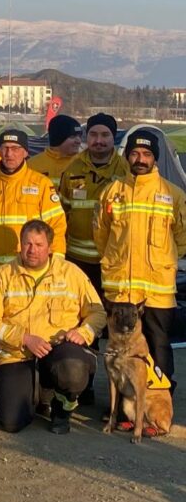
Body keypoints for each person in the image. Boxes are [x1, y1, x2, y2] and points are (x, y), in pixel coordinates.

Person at [0, 220, 106, 434]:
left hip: (58, 350)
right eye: (27, 244)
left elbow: (98, 312)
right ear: (20, 244)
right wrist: (23, 338)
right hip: (17, 354)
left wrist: (84, 332)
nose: (32, 250)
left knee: (73, 368)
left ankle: (61, 409)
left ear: (50, 247)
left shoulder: (71, 273)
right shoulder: (3, 275)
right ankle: (36, 395)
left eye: (39, 245)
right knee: (11, 422)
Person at [94, 131, 186, 392]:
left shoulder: (173, 194)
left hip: (157, 289)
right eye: (135, 153)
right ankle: (125, 406)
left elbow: (182, 237)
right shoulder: (111, 193)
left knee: (158, 344)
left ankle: (158, 399)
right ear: (127, 156)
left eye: (146, 154)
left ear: (155, 158)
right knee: (121, 346)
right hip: (121, 288)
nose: (140, 159)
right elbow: (101, 235)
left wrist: (164, 261)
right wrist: (114, 259)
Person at [0, 130, 65, 276]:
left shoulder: (41, 184)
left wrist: (55, 264)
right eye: (4, 148)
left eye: (15, 148)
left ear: (25, 152)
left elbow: (56, 225)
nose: (9, 154)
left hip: (28, 269)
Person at [58, 113, 127, 289]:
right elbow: (61, 212)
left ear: (114, 137)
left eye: (105, 135)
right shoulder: (72, 169)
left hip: (114, 258)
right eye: (93, 134)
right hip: (77, 258)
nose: (99, 140)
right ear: (86, 137)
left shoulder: (126, 171)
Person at [28, 113, 82, 187]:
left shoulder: (84, 165)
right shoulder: (32, 165)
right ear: (58, 138)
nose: (78, 141)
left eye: (79, 136)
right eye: (73, 136)